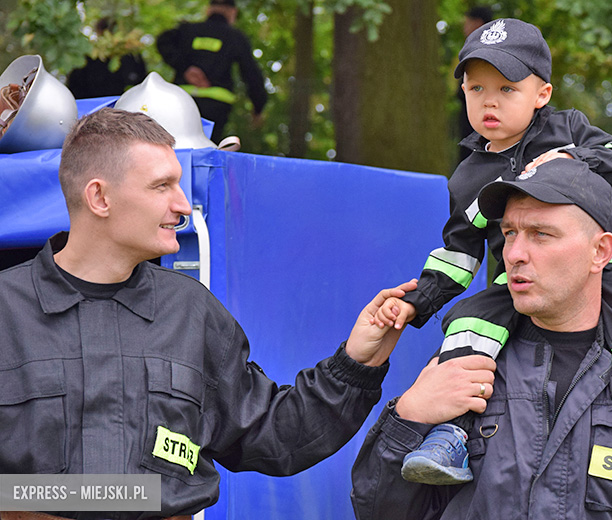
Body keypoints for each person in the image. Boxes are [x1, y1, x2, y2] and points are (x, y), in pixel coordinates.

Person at [0, 107, 414, 520]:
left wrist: (357, 362)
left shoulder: (191, 311)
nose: (182, 205)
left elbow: (272, 433)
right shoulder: (6, 310)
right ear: (99, 197)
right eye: (162, 186)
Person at [374, 18, 612, 504]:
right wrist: (418, 303)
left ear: (542, 93)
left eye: (507, 88)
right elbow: (459, 251)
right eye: (475, 87)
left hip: (605, 273)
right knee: (466, 322)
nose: (489, 101)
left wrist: (572, 161)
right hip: (518, 283)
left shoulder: (569, 129)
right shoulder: (467, 176)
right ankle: (453, 436)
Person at [352, 158, 612, 519]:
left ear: (600, 252)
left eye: (541, 234)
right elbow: (377, 509)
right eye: (510, 233)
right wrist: (407, 418)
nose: (514, 254)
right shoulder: (464, 358)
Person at [157, 0, 267, 142]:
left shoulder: (188, 30)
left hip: (183, 101)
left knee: (178, 145)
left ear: (208, 10)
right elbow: (251, 74)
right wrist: (258, 106)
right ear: (233, 13)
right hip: (216, 106)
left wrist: (184, 68)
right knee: (208, 147)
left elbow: (162, 41)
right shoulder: (235, 37)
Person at [67, 17, 147, 99]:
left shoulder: (131, 56)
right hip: (117, 106)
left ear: (98, 31)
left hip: (97, 106)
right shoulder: (132, 56)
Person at [456, 6, 493, 163]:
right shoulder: (472, 51)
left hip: (479, 128)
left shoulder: (482, 54)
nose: (464, 27)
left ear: (477, 23)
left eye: (467, 22)